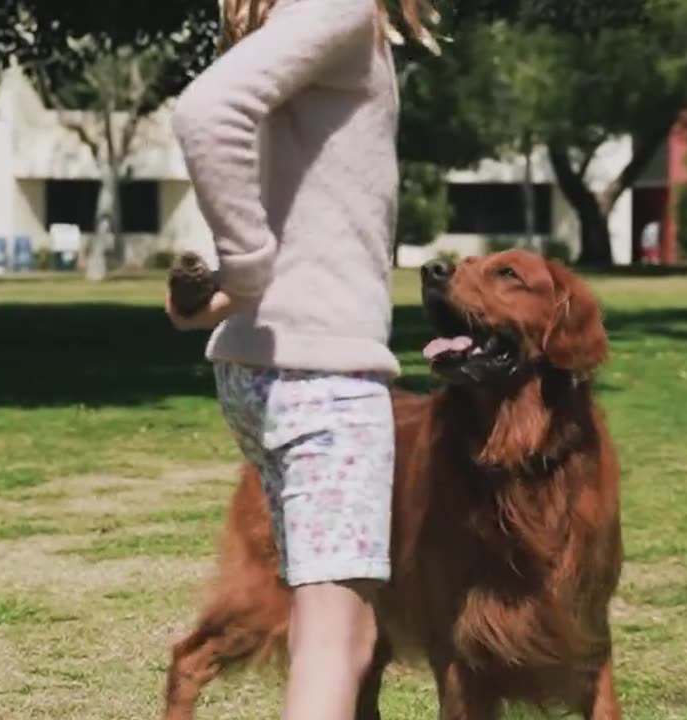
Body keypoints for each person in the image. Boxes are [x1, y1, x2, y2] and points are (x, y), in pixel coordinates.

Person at [165, 1, 437, 718]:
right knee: (327, 644)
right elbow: (206, 113)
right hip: (323, 380)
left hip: (275, 371)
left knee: (352, 635)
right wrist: (247, 268)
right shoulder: (338, 5)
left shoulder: (294, 21)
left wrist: (230, 288)